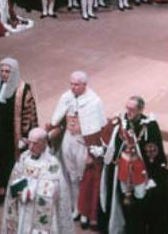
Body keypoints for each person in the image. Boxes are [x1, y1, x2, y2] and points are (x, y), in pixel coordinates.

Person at [100, 95, 168, 234]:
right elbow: (115, 145)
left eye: (132, 109)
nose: (128, 112)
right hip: (123, 172)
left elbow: (154, 152)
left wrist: (152, 175)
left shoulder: (149, 126)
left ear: (140, 110)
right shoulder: (122, 122)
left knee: (139, 205)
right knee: (124, 204)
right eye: (127, 108)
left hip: (140, 174)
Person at [47, 71, 107, 231]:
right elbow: (57, 119)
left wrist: (91, 150)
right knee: (71, 176)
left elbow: (99, 126)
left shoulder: (94, 101)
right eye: (71, 84)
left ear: (84, 85)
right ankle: (75, 208)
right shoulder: (66, 97)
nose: (72, 87)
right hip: (68, 138)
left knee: (83, 178)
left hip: (83, 142)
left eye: (76, 84)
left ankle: (85, 211)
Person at [0, 127, 75, 234]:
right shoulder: (23, 158)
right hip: (23, 207)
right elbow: (15, 179)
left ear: (44, 143)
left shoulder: (52, 164)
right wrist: (19, 189)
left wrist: (31, 192)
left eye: (35, 144)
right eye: (29, 143)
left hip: (39, 210)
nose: (30, 147)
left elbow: (57, 189)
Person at [0, 58, 40, 204]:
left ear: (14, 72)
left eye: (7, 71)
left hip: (13, 137)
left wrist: (24, 137)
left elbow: (29, 114)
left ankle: (15, 194)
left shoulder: (24, 90)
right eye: (2, 71)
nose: (4, 74)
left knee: (12, 165)